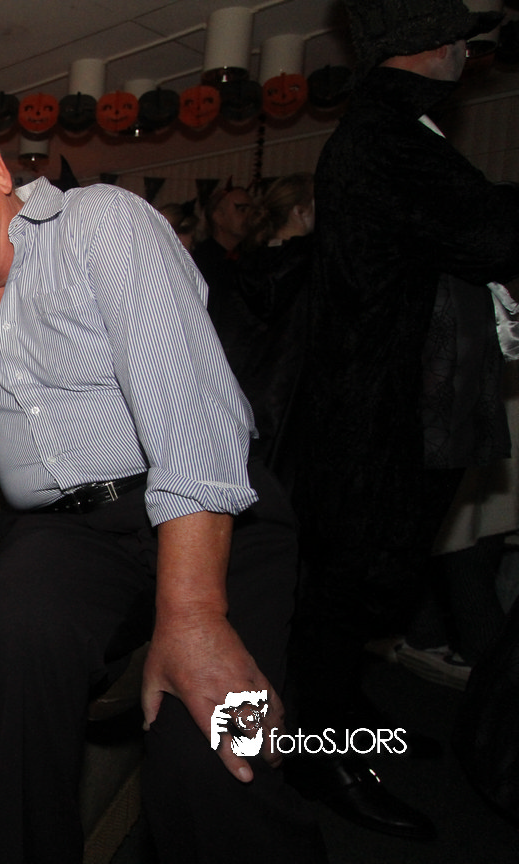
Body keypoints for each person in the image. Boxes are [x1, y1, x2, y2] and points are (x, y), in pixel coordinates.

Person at [0, 109, 326, 864]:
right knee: (11, 641)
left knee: (214, 753)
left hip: (211, 505)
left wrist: (193, 614)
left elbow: (188, 416)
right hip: (65, 534)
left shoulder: (100, 224)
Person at [287, 0, 519, 841]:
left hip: (384, 415)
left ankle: (347, 726)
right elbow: (496, 234)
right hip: (372, 422)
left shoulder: (394, 130)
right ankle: (317, 764)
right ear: (433, 44)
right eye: (459, 37)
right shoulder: (384, 135)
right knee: (339, 602)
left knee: (355, 602)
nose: (467, 51)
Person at [208, 173, 316, 483]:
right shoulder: (313, 266)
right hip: (291, 406)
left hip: (242, 403)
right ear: (300, 211)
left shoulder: (242, 266)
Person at [191, 184, 252, 303]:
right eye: (242, 209)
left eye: (252, 211)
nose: (249, 216)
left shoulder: (254, 257)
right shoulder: (201, 259)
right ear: (218, 216)